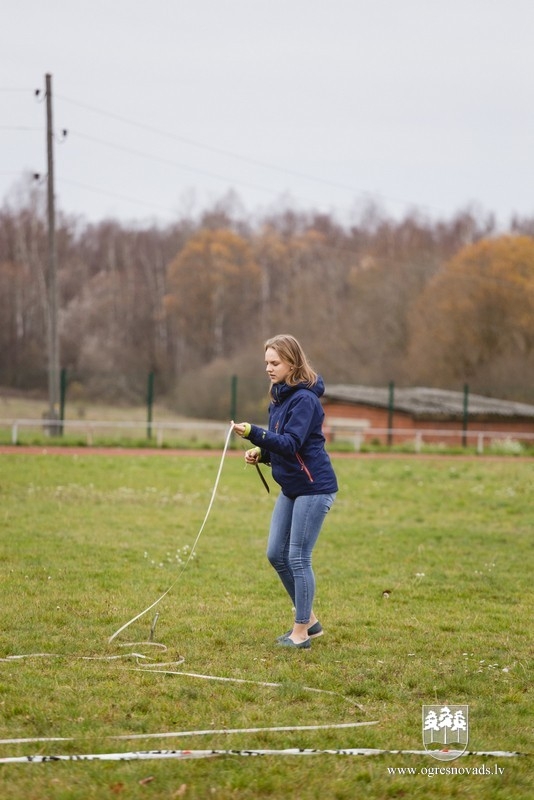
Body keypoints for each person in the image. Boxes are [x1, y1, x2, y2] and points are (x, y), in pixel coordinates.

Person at [233, 334, 338, 649]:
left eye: (275, 362)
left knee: (298, 557)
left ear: (292, 362)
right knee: (275, 553)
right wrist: (261, 453)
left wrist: (255, 434)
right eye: (266, 362)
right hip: (292, 487)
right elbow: (282, 446)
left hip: (313, 487)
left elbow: (292, 443)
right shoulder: (278, 399)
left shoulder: (305, 400)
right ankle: (312, 622)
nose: (268, 368)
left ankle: (301, 631)